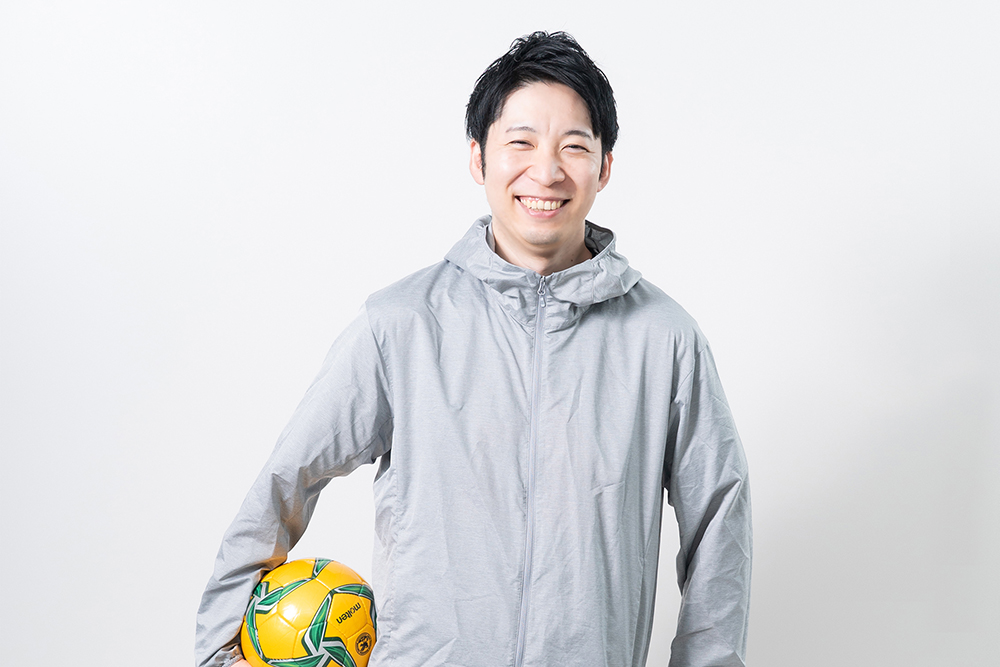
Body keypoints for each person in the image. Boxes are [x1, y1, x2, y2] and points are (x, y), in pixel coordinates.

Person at [196, 31, 752, 667]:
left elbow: (720, 522)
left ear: (604, 167)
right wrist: (220, 652)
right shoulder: (400, 324)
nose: (546, 171)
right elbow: (286, 478)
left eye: (574, 145)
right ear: (478, 159)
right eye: (521, 142)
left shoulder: (665, 339)